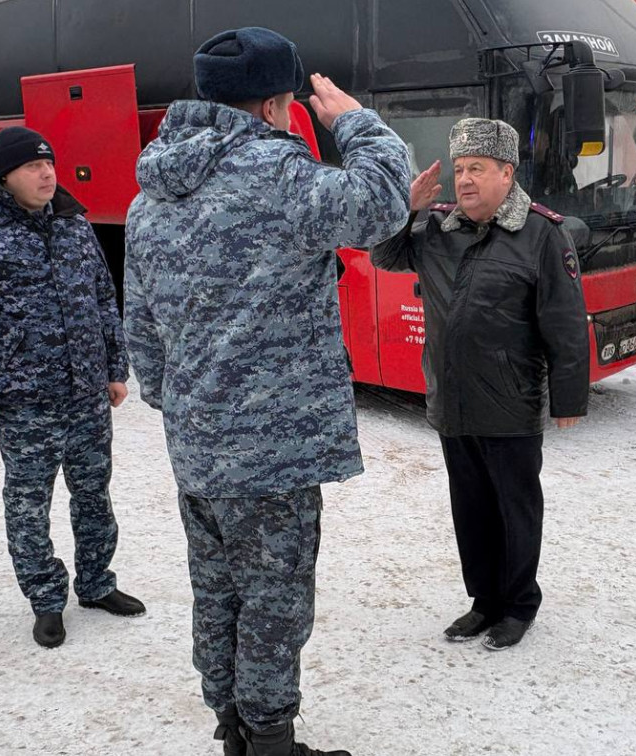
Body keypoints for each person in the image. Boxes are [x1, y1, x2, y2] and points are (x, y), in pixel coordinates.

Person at [122, 28, 410, 756]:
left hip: (198, 447)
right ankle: (270, 742)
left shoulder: (149, 194)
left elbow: (143, 330)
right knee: (275, 608)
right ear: (279, 103)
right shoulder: (276, 175)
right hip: (272, 452)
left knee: (217, 594)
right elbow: (382, 198)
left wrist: (186, 404)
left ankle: (232, 729)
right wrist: (351, 118)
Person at [372, 117, 589, 652]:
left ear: (506, 173)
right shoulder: (438, 229)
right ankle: (483, 601)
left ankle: (518, 605)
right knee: (469, 508)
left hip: (511, 402)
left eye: (478, 168)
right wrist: (409, 208)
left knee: (514, 508)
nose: (465, 179)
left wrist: (568, 397)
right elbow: (383, 256)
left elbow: (564, 321)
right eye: (460, 168)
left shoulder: (540, 234)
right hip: (453, 400)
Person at [0, 126, 143, 650]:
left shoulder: (73, 224)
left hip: (86, 396)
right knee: (28, 504)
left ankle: (96, 584)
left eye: (49, 164)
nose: (47, 174)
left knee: (94, 495)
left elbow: (102, 300)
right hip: (23, 404)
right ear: (4, 176)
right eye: (32, 167)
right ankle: (47, 600)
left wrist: (115, 369)